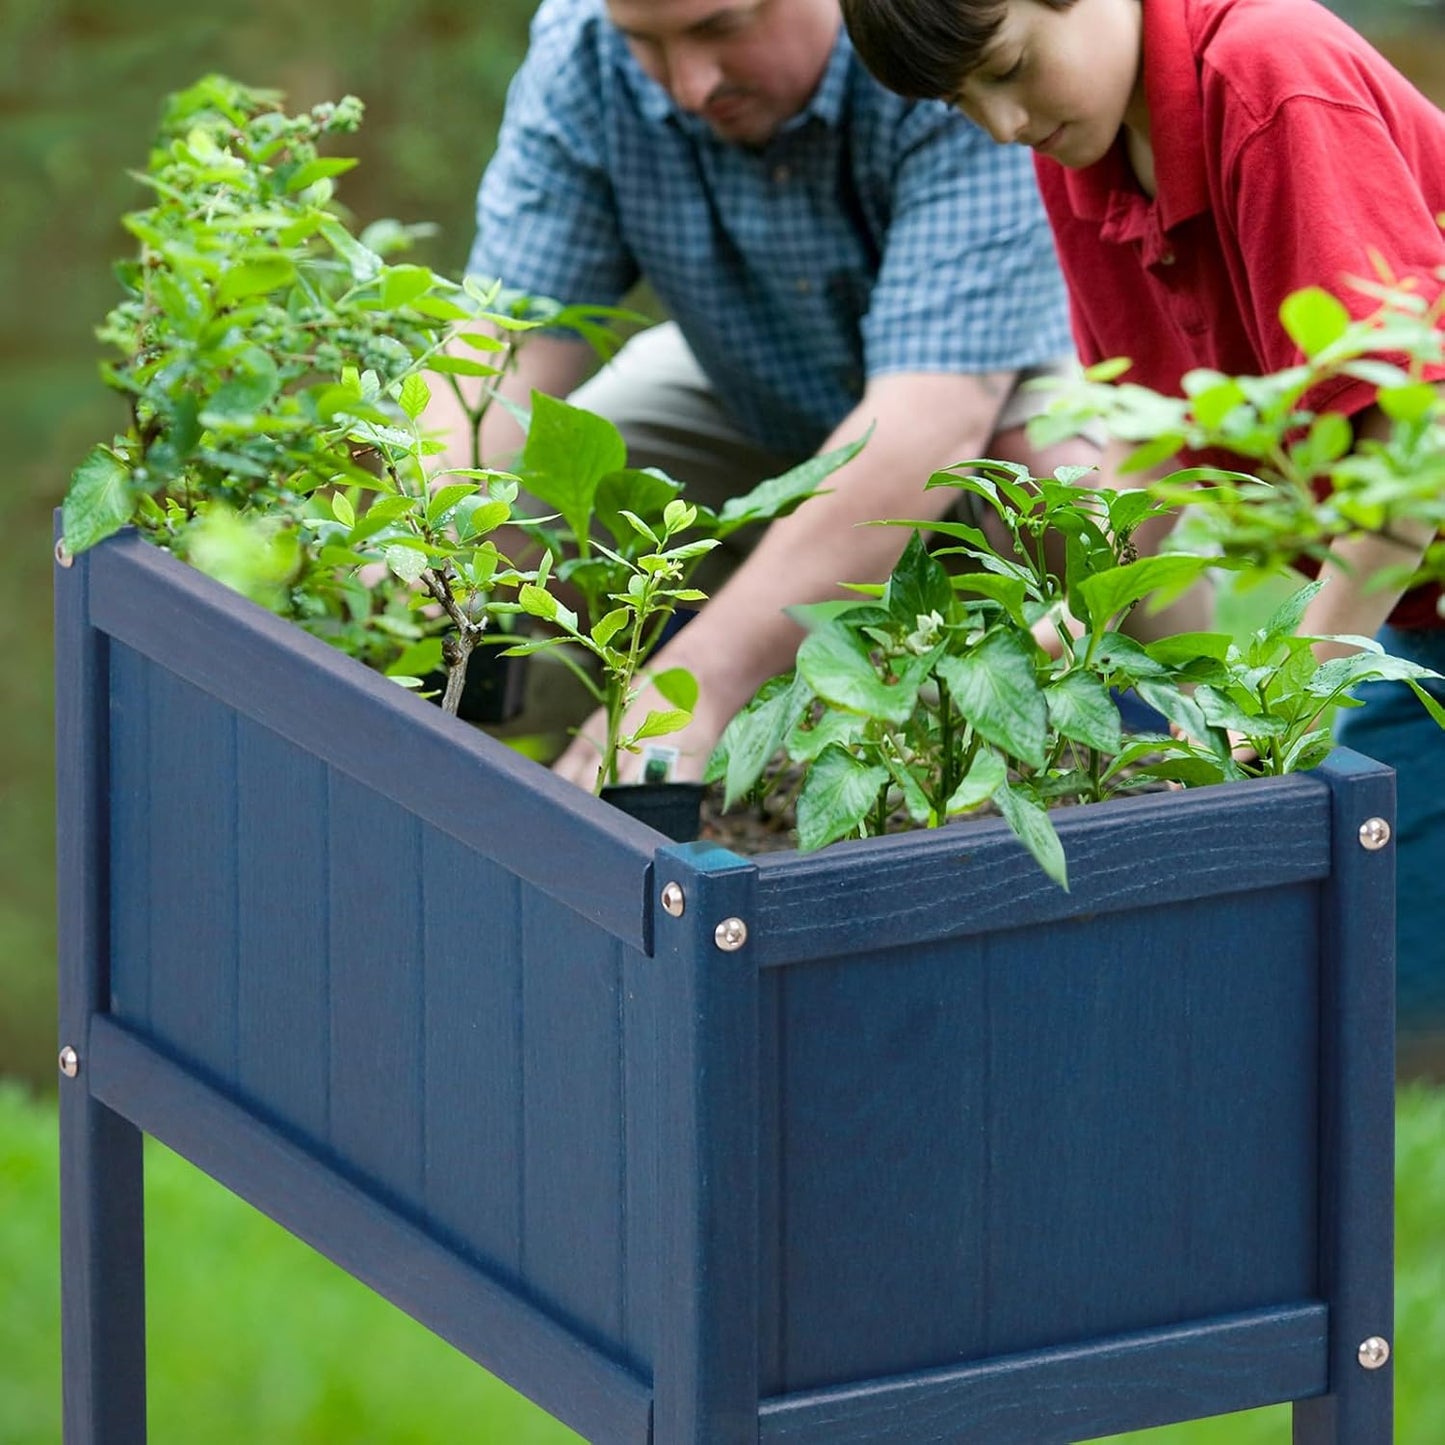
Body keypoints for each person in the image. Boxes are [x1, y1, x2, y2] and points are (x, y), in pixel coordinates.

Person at [839, 0, 1445, 1031]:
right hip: (1419, 611)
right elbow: (1147, 421)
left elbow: (1407, 444)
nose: (1001, 123)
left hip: (1402, 571)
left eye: (1009, 67)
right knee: (1346, 981)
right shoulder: (1087, 148)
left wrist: (1284, 689)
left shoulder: (1265, 77)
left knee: (1348, 981)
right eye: (960, 101)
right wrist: (1079, 609)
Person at [447, 0, 1098, 789]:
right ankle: (526, 769)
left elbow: (928, 419)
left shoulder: (936, 38)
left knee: (1064, 491)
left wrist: (698, 681)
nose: (688, 86)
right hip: (748, 378)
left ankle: (1149, 751)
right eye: (646, 44)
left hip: (992, 384)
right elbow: (498, 350)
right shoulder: (584, 51)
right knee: (512, 504)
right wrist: (395, 547)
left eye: (720, 29)